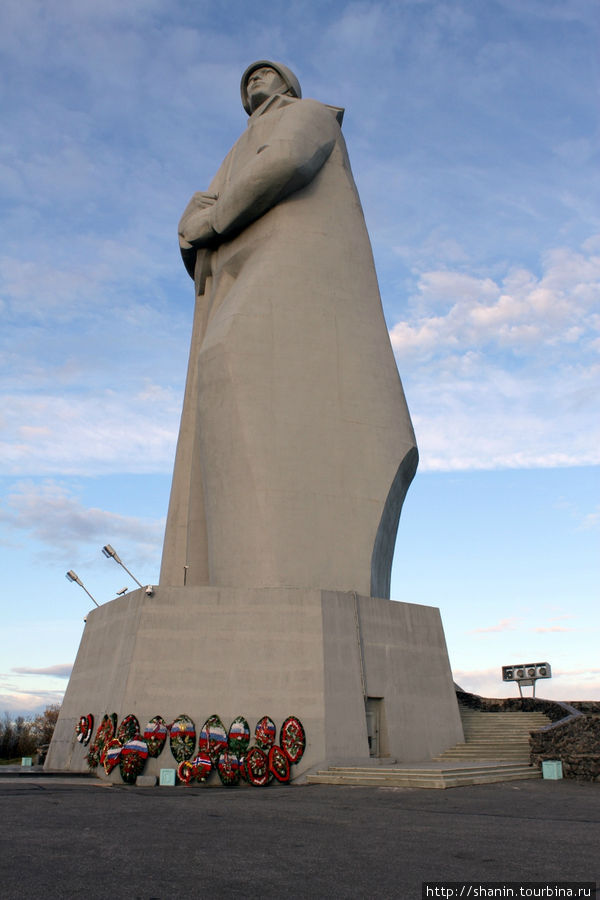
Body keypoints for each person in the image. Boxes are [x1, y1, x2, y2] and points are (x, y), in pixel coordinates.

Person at [160, 61, 417, 599]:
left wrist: (210, 220)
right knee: (221, 374)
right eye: (247, 78)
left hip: (293, 260)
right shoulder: (235, 147)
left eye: (265, 73)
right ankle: (227, 580)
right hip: (239, 262)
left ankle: (275, 576)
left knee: (233, 354)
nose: (254, 79)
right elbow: (200, 210)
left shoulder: (309, 115)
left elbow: (284, 162)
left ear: (288, 85)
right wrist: (194, 225)